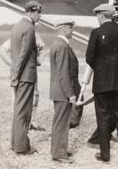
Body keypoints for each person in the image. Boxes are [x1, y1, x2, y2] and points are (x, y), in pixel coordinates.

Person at [86, 3, 118, 163]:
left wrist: (102, 70)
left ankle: (105, 155)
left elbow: (89, 57)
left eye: (98, 15)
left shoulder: (96, 33)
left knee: (103, 118)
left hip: (101, 84)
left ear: (102, 15)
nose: (97, 17)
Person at [10, 0, 42, 155]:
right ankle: (22, 147)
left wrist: (14, 75)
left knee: (18, 110)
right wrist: (17, 76)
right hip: (25, 76)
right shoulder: (29, 28)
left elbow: (16, 53)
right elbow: (23, 55)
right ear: (31, 12)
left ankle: (15, 143)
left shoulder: (17, 26)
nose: (40, 17)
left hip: (18, 74)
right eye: (38, 13)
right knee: (24, 112)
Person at [0, 33, 47, 131]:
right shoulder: (17, 35)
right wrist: (13, 64)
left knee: (35, 96)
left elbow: (44, 49)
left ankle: (29, 123)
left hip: (31, 71)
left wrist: (38, 61)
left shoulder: (35, 35)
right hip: (18, 72)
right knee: (17, 97)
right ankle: (17, 124)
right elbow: (2, 50)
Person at [50, 18, 80, 163]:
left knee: (60, 122)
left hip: (59, 91)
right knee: (61, 123)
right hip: (63, 92)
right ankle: (59, 154)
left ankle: (59, 150)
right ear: (63, 29)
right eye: (70, 28)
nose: (72, 30)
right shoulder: (62, 46)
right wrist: (71, 94)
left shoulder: (59, 44)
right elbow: (63, 73)